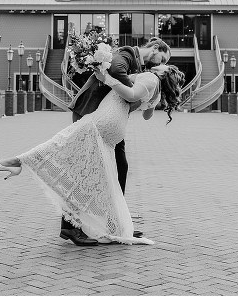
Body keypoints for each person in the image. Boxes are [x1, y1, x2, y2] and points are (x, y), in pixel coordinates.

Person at [0, 63, 185, 245]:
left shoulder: (151, 77)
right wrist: (148, 100)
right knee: (98, 178)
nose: (160, 64)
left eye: (164, 64)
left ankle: (15, 162)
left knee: (59, 145)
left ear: (164, 71)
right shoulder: (157, 91)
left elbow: (132, 95)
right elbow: (147, 114)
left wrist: (106, 78)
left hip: (103, 121)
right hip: (115, 129)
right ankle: (110, 224)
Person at [62, 37, 171, 245]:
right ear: (155, 48)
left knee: (120, 167)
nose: (160, 64)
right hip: (90, 113)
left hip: (107, 119)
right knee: (86, 170)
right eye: (161, 58)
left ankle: (116, 223)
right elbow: (115, 72)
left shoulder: (138, 64)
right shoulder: (127, 55)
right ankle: (70, 226)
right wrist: (136, 92)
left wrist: (145, 94)